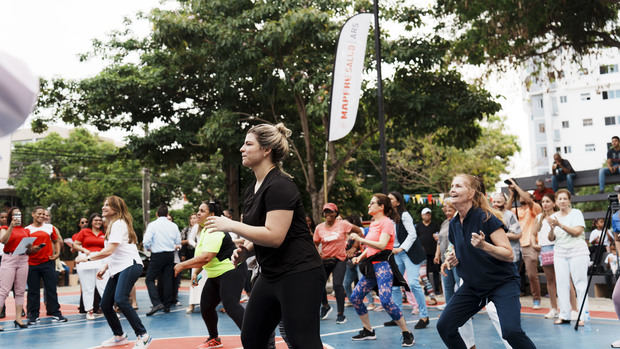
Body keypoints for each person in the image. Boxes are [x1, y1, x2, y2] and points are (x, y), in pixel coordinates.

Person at [204, 123, 325, 349]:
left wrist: (231, 224)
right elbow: (263, 229)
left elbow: (275, 236)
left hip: (300, 274)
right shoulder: (254, 188)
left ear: (266, 150)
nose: (242, 148)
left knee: (302, 341)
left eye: (248, 144)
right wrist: (248, 248)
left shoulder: (280, 186)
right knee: (252, 337)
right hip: (271, 275)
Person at [436, 174, 536, 349]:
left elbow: (508, 254)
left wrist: (484, 246)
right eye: (452, 186)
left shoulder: (486, 218)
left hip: (501, 283)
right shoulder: (453, 224)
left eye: (458, 186)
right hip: (473, 286)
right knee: (445, 326)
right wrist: (452, 258)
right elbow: (458, 249)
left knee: (511, 332)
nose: (452, 189)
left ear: (471, 193)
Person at [75, 196, 151, 348]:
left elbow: (109, 250)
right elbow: (117, 251)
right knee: (105, 303)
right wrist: (105, 266)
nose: (103, 207)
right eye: (104, 205)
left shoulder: (119, 224)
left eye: (107, 205)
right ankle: (119, 335)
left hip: (130, 265)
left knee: (121, 299)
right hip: (118, 267)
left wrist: (88, 257)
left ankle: (143, 335)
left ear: (115, 209)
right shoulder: (112, 225)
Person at [174, 201, 246, 349]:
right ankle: (214, 338)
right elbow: (204, 257)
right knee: (206, 306)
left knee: (231, 305)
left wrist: (182, 265)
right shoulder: (206, 231)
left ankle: (255, 337)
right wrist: (196, 273)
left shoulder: (216, 231)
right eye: (198, 210)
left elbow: (206, 257)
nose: (198, 213)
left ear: (212, 215)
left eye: (202, 211)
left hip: (231, 270)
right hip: (215, 273)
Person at [348, 193, 414, 346]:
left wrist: (360, 239)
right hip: (371, 267)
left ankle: (406, 332)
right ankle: (368, 330)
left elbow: (382, 245)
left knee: (385, 300)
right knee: (355, 297)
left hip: (383, 265)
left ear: (381, 206)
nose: (369, 205)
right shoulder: (373, 223)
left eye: (372, 203)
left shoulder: (387, 223)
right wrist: (361, 256)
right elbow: (371, 245)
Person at [387, 191, 430, 330]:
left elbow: (412, 234)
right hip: (395, 253)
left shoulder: (404, 215)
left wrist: (401, 248)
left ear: (398, 202)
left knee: (412, 283)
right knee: (394, 285)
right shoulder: (387, 217)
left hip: (409, 253)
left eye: (391, 199)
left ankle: (424, 316)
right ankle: (397, 317)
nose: (388, 201)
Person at [313, 202, 362, 324]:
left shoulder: (343, 224)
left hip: (339, 259)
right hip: (325, 260)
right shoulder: (319, 228)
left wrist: (354, 248)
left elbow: (359, 231)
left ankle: (340, 314)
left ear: (336, 213)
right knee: (318, 285)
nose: (328, 214)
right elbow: (315, 243)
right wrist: (316, 254)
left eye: (331, 211)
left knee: (337, 285)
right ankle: (325, 306)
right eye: (326, 211)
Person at [547, 189, 589, 326]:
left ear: (569, 200)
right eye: (560, 199)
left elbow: (577, 232)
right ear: (556, 201)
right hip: (560, 252)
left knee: (580, 284)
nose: (563, 201)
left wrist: (560, 225)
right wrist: (552, 228)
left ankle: (583, 316)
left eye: (565, 198)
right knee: (562, 284)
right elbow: (551, 238)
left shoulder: (576, 213)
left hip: (577, 250)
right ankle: (564, 315)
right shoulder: (553, 216)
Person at [0, 207, 42, 330]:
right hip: (9, 259)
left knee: (20, 291)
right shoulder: (4, 228)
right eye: (15, 215)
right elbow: (3, 240)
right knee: (4, 290)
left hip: (23, 259)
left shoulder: (25, 230)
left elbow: (28, 249)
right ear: (10, 217)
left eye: (19, 214)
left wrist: (35, 249)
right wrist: (11, 226)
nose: (18, 217)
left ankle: (18, 319)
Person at [25, 206, 67, 323]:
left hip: (48, 262)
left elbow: (56, 240)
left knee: (51, 289)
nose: (42, 216)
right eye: (39, 213)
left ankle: (56, 313)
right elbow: (26, 248)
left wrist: (57, 253)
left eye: (43, 214)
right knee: (33, 291)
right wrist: (33, 249)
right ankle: (33, 315)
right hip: (32, 263)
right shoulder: (27, 230)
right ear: (33, 214)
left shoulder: (50, 227)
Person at [506, 179, 543, 309]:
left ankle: (536, 299)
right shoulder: (517, 210)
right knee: (512, 273)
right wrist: (511, 195)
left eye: (525, 194)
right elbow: (505, 211)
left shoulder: (535, 208)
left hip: (529, 244)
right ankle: (512, 299)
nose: (522, 196)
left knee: (532, 274)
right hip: (515, 245)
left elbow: (528, 200)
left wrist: (516, 186)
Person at [142, 205, 181, 316]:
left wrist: (148, 247)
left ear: (157, 214)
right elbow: (177, 241)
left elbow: (146, 241)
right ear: (167, 214)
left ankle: (156, 303)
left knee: (149, 279)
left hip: (157, 254)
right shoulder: (173, 225)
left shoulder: (153, 225)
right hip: (170, 255)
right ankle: (167, 305)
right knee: (167, 279)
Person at [73, 213, 109, 320]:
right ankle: (89, 311)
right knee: (88, 287)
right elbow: (76, 244)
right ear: (91, 222)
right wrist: (84, 250)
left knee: (104, 286)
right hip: (86, 261)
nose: (98, 222)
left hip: (101, 261)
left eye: (99, 220)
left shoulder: (105, 233)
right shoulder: (84, 232)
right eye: (95, 220)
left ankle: (109, 310)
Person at [530, 193, 560, 319]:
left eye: (548, 201)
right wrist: (533, 243)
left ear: (554, 203)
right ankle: (553, 308)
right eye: (543, 202)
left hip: (558, 248)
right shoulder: (538, 217)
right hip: (545, 249)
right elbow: (532, 233)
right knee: (550, 280)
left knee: (563, 279)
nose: (545, 204)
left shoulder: (558, 216)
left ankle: (567, 307)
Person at [416, 207, 442, 296]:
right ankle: (427, 289)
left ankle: (437, 289)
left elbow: (439, 237)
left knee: (435, 271)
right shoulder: (418, 226)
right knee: (424, 272)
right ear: (422, 215)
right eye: (425, 214)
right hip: (423, 253)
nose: (427, 216)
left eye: (429, 214)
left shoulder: (435, 225)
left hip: (434, 252)